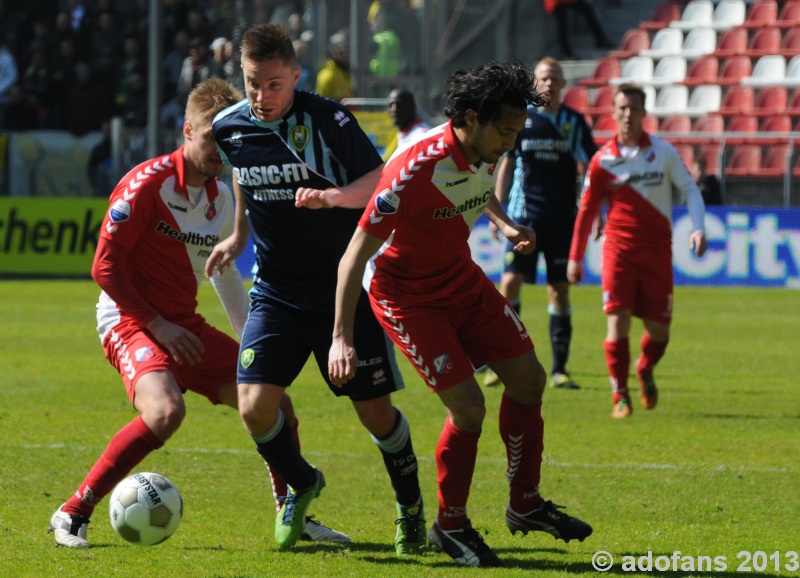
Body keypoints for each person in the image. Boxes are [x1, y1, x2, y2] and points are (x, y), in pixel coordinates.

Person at [48, 78, 347, 548]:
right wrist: (157, 324)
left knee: (274, 405)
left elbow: (223, 276)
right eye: (211, 139)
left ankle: (296, 513)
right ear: (187, 130)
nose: (219, 151)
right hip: (129, 318)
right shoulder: (147, 185)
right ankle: (73, 511)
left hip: (180, 325)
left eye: (227, 141)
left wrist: (256, 352)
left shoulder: (225, 199)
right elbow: (104, 267)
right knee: (166, 411)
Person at [329, 61, 593, 568]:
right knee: (469, 408)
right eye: (504, 132)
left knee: (529, 380)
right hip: (406, 296)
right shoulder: (412, 168)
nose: (510, 144)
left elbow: (478, 187)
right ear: (470, 118)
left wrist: (506, 222)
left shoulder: (485, 147)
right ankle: (449, 525)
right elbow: (353, 257)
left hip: (461, 278)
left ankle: (525, 504)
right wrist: (342, 338)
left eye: (516, 133)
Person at [206, 24, 424, 556]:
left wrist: (334, 199)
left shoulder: (328, 119)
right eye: (254, 83)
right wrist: (239, 234)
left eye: (275, 84)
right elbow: (241, 170)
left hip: (339, 288)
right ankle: (302, 482)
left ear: (296, 77)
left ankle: (411, 510)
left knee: (374, 413)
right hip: (276, 291)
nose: (263, 96)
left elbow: (379, 179)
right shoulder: (228, 127)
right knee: (255, 407)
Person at [567, 83, 708, 419]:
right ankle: (620, 395)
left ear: (644, 114)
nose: (628, 114)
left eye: (634, 108)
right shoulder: (602, 161)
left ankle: (644, 368)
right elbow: (587, 210)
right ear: (614, 113)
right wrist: (575, 256)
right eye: (622, 108)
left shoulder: (663, 152)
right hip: (618, 249)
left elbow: (689, 189)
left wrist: (699, 227)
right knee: (617, 324)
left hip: (657, 253)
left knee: (660, 332)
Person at [483, 56, 597, 391]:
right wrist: (501, 211)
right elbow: (507, 164)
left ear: (563, 85)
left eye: (555, 79)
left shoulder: (573, 123)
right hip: (522, 218)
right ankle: (501, 364)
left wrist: (597, 210)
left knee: (559, 290)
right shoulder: (522, 120)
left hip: (562, 220)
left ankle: (560, 370)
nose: (549, 84)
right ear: (536, 84)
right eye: (544, 78)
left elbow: (593, 168)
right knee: (509, 283)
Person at [543, 0, 614, 59]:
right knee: (562, 27)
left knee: (587, 11)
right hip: (557, 3)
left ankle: (600, 40)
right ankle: (566, 53)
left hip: (566, 1)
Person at [382, 88, 430, 161]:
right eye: (390, 105)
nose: (394, 109)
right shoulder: (403, 133)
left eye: (399, 105)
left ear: (412, 107)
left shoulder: (421, 135)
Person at [315, 29, 352, 101]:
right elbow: (320, 102)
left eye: (347, 51)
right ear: (333, 52)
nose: (345, 55)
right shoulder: (327, 74)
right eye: (341, 52)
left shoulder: (344, 72)